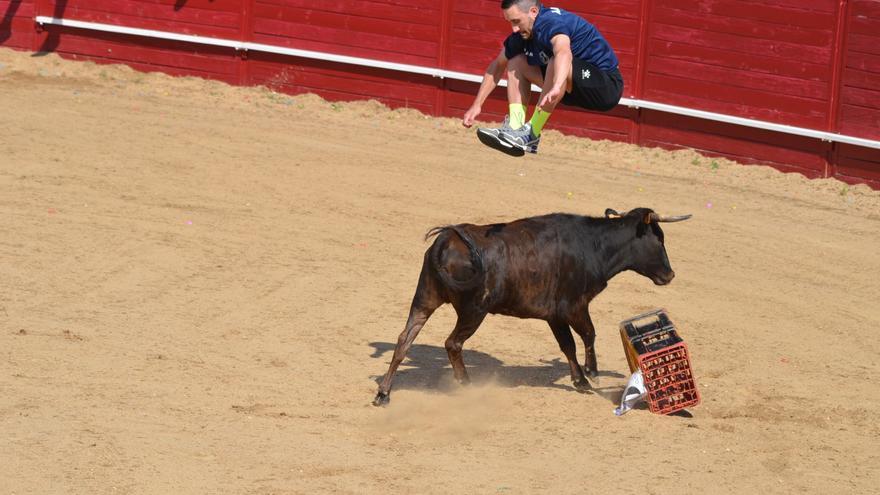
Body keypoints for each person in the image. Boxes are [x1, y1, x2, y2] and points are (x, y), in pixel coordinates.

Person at [462, 0, 623, 156]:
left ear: (533, 12)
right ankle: (515, 127)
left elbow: (563, 52)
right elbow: (497, 65)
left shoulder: (550, 23)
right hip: (566, 87)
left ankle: (532, 133)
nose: (514, 29)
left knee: (555, 59)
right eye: (510, 22)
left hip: (606, 86)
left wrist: (556, 85)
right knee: (516, 61)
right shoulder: (522, 34)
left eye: (517, 21)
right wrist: (477, 105)